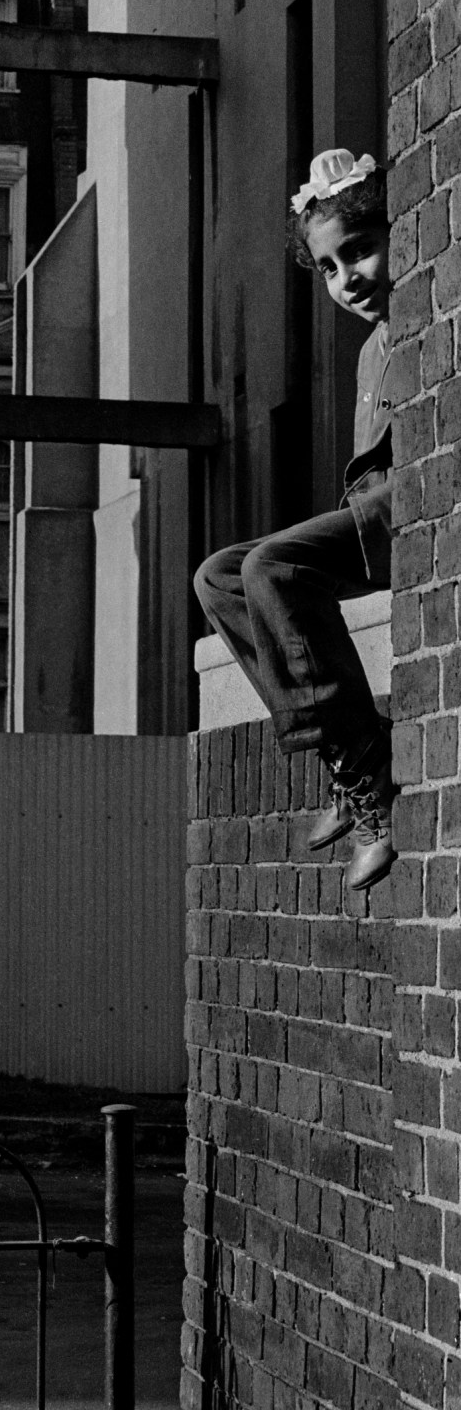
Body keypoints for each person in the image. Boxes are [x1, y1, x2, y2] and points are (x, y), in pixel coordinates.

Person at [193, 148, 394, 892]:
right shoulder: (373, 348)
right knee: (217, 575)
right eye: (330, 268)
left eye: (361, 250)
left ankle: (371, 775)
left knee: (270, 566)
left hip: (413, 506)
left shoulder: (435, 307)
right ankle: (342, 757)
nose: (348, 281)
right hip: (372, 512)